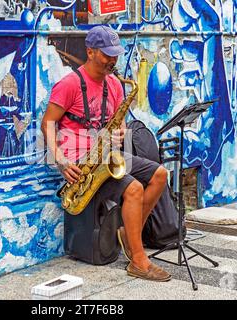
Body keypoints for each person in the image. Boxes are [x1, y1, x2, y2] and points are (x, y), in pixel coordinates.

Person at [41, 26, 171, 281]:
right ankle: (138, 259)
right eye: (106, 54)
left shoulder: (114, 84)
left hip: (106, 157)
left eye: (115, 55)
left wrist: (121, 133)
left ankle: (128, 233)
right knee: (133, 189)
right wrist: (61, 161)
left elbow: (118, 121)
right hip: (81, 163)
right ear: (90, 52)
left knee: (160, 174)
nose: (113, 60)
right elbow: (47, 123)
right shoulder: (68, 84)